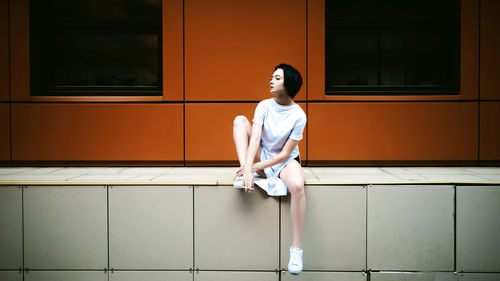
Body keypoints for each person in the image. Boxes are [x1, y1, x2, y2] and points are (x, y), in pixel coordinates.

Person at [232, 63, 307, 275]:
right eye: (271, 77)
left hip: (284, 160)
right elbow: (255, 138)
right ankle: (244, 172)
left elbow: (284, 154)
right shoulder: (264, 105)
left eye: (276, 78)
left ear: (288, 83)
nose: (271, 80)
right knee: (239, 120)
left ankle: (297, 249)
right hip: (262, 155)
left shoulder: (299, 115)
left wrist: (256, 167)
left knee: (298, 187)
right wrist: (248, 168)